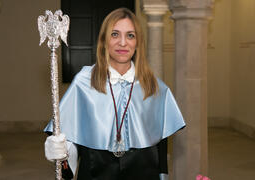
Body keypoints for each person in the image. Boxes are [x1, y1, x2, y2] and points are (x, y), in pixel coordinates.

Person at [44, 8, 185, 180]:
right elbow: (73, 138)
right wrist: (62, 152)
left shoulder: (155, 87)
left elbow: (160, 145)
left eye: (130, 35)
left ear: (138, 42)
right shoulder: (83, 82)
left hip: (143, 172)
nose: (123, 43)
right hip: (95, 171)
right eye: (115, 34)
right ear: (104, 41)